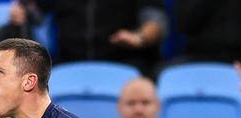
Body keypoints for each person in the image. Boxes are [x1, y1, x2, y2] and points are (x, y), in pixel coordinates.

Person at [36, 0, 167, 75]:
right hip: (69, 62)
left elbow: (156, 22)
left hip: (126, 62)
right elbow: (34, 14)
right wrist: (21, 13)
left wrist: (139, 38)